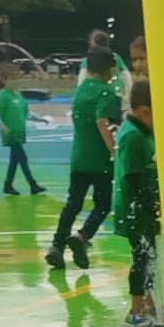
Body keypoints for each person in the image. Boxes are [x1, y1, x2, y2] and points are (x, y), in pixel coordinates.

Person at [47, 43, 119, 269]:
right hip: (100, 162)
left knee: (73, 204)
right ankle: (83, 236)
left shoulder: (80, 91)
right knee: (103, 204)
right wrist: (113, 151)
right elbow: (102, 121)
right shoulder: (106, 92)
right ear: (110, 69)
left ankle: (56, 245)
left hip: (79, 159)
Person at [112, 78, 164, 327]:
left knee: (150, 256)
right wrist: (151, 204)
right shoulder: (133, 136)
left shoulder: (144, 132)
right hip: (134, 209)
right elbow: (133, 177)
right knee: (142, 258)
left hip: (144, 207)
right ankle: (135, 311)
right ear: (143, 111)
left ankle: (150, 305)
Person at [0, 68, 45, 196]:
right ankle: (33, 185)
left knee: (14, 161)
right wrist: (2, 127)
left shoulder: (18, 95)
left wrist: (39, 119)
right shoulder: (3, 96)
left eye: (16, 79)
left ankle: (7, 185)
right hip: (11, 135)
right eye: (12, 79)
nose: (15, 82)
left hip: (20, 134)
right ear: (4, 80)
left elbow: (26, 113)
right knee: (23, 159)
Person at [77, 27, 131, 100]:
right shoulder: (116, 57)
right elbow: (127, 77)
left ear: (94, 43)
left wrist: (79, 95)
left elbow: (81, 80)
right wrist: (128, 95)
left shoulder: (89, 59)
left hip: (96, 96)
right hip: (116, 94)